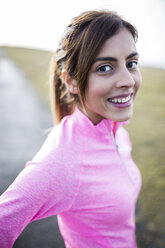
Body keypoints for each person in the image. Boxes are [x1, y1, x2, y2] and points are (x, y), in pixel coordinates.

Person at [0, 9, 142, 248]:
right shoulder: (63, 159)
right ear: (71, 81)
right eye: (105, 67)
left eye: (131, 63)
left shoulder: (117, 131)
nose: (127, 80)